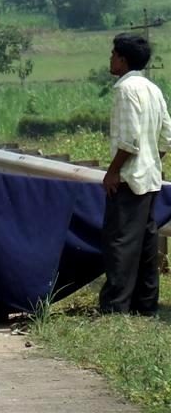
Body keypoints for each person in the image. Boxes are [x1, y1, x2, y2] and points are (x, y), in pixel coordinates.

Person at [99, 34, 171, 316]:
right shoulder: (152, 89)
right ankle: (145, 304)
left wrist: (113, 171)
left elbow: (128, 140)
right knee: (145, 245)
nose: (111, 59)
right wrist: (151, 160)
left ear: (123, 59)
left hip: (131, 179)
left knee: (120, 242)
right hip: (150, 177)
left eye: (113, 54)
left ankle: (116, 306)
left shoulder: (124, 90)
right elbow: (167, 137)